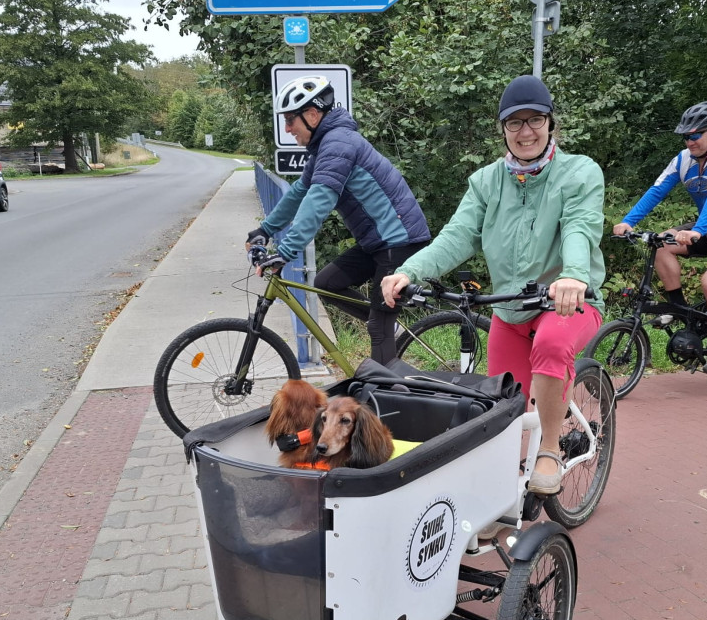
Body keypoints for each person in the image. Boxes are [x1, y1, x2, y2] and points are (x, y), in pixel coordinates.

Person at [380, 75, 605, 495]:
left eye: (535, 120)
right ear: (502, 129)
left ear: (550, 123)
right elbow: (457, 235)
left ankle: (550, 449)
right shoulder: (486, 182)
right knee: (501, 403)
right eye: (514, 122)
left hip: (568, 302)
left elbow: (580, 225)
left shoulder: (578, 172)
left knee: (552, 345)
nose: (525, 131)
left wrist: (574, 275)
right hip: (510, 308)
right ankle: (499, 493)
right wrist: (410, 272)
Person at [247, 75, 430, 365]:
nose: (287, 128)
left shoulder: (338, 144)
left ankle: (385, 390)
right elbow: (299, 192)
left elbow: (318, 201)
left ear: (312, 115)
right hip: (378, 241)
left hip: (399, 240)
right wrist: (265, 229)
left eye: (290, 120)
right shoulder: (326, 145)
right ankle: (386, 322)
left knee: (378, 329)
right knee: (326, 283)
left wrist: (285, 251)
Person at [612, 101, 707, 373]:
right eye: (686, 136)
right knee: (660, 244)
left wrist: (698, 230)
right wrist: (628, 221)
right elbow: (657, 190)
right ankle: (678, 308)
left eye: (695, 135)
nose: (689, 141)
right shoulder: (683, 160)